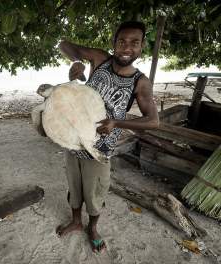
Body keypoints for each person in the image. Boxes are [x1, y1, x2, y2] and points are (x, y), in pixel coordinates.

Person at [56, 21, 159, 253]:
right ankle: (75, 221)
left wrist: (117, 123)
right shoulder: (99, 59)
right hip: (74, 140)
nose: (127, 47)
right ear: (113, 43)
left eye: (134, 42)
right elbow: (64, 45)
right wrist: (77, 62)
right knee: (74, 186)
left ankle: (92, 229)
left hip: (100, 150)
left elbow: (153, 120)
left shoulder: (140, 82)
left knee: (95, 192)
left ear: (142, 46)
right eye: (122, 41)